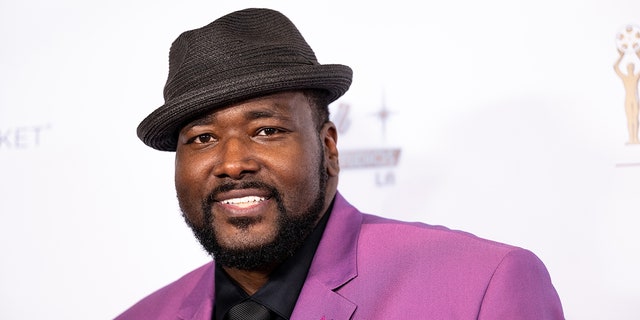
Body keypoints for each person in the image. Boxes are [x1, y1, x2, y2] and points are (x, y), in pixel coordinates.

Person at [116, 8, 564, 320]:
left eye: (267, 130)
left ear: (328, 148)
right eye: (203, 138)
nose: (232, 163)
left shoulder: (482, 285)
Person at [614, 48, 640, 144]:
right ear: (627, 69)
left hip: (635, 98)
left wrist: (638, 54)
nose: (630, 69)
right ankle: (631, 138)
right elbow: (615, 67)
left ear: (633, 68)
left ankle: (635, 138)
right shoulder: (625, 78)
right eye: (628, 67)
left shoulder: (636, 77)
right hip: (628, 99)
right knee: (630, 118)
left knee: (635, 118)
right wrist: (621, 56)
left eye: (631, 67)